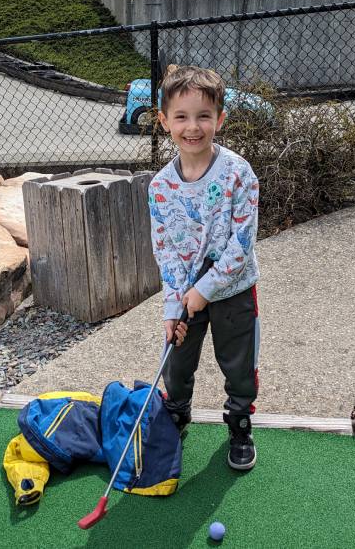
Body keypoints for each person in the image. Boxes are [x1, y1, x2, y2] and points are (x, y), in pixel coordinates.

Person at [149, 66, 262, 471]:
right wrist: (173, 307)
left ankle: (239, 422)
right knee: (177, 361)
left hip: (232, 288)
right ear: (164, 122)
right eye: (181, 117)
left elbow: (242, 244)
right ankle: (176, 414)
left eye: (203, 116)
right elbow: (166, 253)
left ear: (220, 119)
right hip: (184, 292)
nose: (192, 127)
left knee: (238, 364)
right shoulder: (160, 187)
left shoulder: (238, 173)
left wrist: (204, 290)